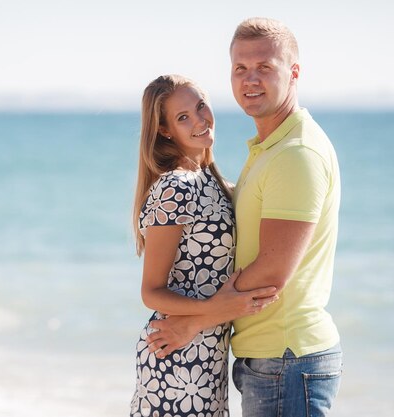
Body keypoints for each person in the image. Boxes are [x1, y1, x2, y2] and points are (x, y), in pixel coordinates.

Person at [146, 18, 343, 417]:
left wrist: (195, 322)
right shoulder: (268, 148)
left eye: (264, 67)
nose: (250, 79)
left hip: (287, 357)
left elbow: (272, 271)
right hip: (269, 359)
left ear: (294, 73)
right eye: (240, 68)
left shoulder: (295, 154)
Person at [129, 74, 278, 417]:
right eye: (183, 117)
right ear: (166, 131)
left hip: (209, 355)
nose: (199, 119)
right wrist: (218, 311)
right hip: (176, 355)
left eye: (200, 106)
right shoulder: (176, 187)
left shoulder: (218, 183)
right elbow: (151, 291)